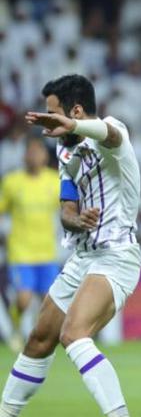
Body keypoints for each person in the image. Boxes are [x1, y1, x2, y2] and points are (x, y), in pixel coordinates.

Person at [0, 75, 141, 417]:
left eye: (53, 114)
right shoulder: (65, 151)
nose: (49, 123)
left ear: (75, 111)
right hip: (83, 257)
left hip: (116, 256)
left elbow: (110, 134)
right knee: (39, 338)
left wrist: (74, 126)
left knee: (74, 334)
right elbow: (66, 210)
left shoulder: (112, 132)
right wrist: (77, 220)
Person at [0, 137, 60, 351]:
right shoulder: (12, 182)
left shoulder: (55, 181)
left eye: (38, 151)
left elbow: (69, 209)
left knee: (48, 302)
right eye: (31, 152)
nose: (34, 156)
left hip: (47, 252)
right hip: (21, 252)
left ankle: (38, 336)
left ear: (45, 155)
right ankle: (16, 327)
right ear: (24, 155)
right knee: (24, 299)